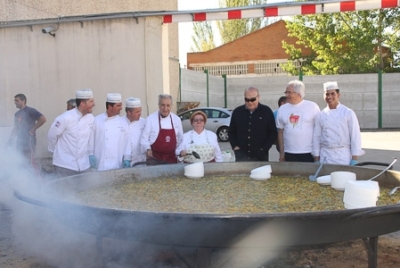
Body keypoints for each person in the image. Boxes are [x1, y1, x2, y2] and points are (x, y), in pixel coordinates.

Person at [313, 81, 364, 166]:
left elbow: (355, 136)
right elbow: (316, 137)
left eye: (332, 94)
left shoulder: (348, 113)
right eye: (327, 94)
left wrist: (354, 158)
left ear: (338, 95)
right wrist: (316, 158)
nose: (329, 97)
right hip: (325, 156)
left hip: (343, 156)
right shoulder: (320, 115)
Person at [47, 88, 96, 177]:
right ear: (82, 103)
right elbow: (51, 135)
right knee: (64, 190)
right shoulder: (65, 118)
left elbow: (90, 138)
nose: (94, 104)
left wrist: (90, 153)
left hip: (84, 165)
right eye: (91, 102)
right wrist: (56, 151)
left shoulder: (91, 118)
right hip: (65, 165)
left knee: (84, 190)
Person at [276, 80, 320, 163]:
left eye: (289, 92)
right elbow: (280, 131)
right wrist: (281, 153)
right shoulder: (282, 109)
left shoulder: (312, 107)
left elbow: (318, 130)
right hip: (289, 153)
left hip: (308, 152)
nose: (286, 95)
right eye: (286, 92)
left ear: (299, 93)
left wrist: (317, 153)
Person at [228, 87, 277, 162]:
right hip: (241, 155)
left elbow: (272, 132)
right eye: (247, 100)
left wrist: (264, 148)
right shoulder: (237, 112)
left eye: (253, 99)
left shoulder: (266, 111)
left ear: (258, 97)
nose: (250, 102)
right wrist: (235, 146)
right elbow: (231, 131)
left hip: (261, 155)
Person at [141, 94, 183, 164]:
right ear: (159, 105)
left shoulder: (176, 120)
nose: (165, 108)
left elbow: (181, 139)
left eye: (168, 105)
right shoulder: (150, 119)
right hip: (154, 159)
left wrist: (179, 152)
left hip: (171, 159)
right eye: (163, 105)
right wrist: (148, 149)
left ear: (171, 106)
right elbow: (144, 139)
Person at [93, 93, 129, 171]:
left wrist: (127, 158)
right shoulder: (96, 121)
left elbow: (127, 142)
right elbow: (90, 141)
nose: (121, 108)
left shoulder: (123, 122)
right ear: (109, 106)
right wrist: (90, 154)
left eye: (121, 105)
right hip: (100, 165)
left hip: (116, 165)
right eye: (118, 106)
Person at [7, 94, 46, 160]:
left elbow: (43, 119)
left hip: (29, 141)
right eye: (14, 101)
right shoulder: (17, 114)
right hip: (20, 142)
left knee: (28, 160)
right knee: (20, 160)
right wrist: (10, 141)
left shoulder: (31, 111)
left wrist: (33, 129)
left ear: (23, 101)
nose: (15, 102)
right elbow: (16, 128)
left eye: (17, 100)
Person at [122, 97, 146, 168]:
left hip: (140, 162)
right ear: (129, 112)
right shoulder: (120, 123)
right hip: (124, 162)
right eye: (137, 112)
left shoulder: (144, 122)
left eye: (140, 111)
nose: (140, 114)